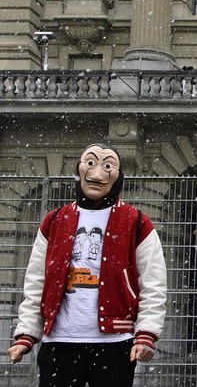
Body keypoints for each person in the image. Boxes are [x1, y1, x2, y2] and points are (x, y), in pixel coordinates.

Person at [6, 143, 167, 387]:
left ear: (118, 176)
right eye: (90, 163)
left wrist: (146, 335)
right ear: (79, 169)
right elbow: (37, 281)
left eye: (108, 165)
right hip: (58, 341)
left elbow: (153, 284)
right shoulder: (55, 221)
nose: (97, 173)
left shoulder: (136, 223)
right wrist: (26, 334)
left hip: (115, 342)